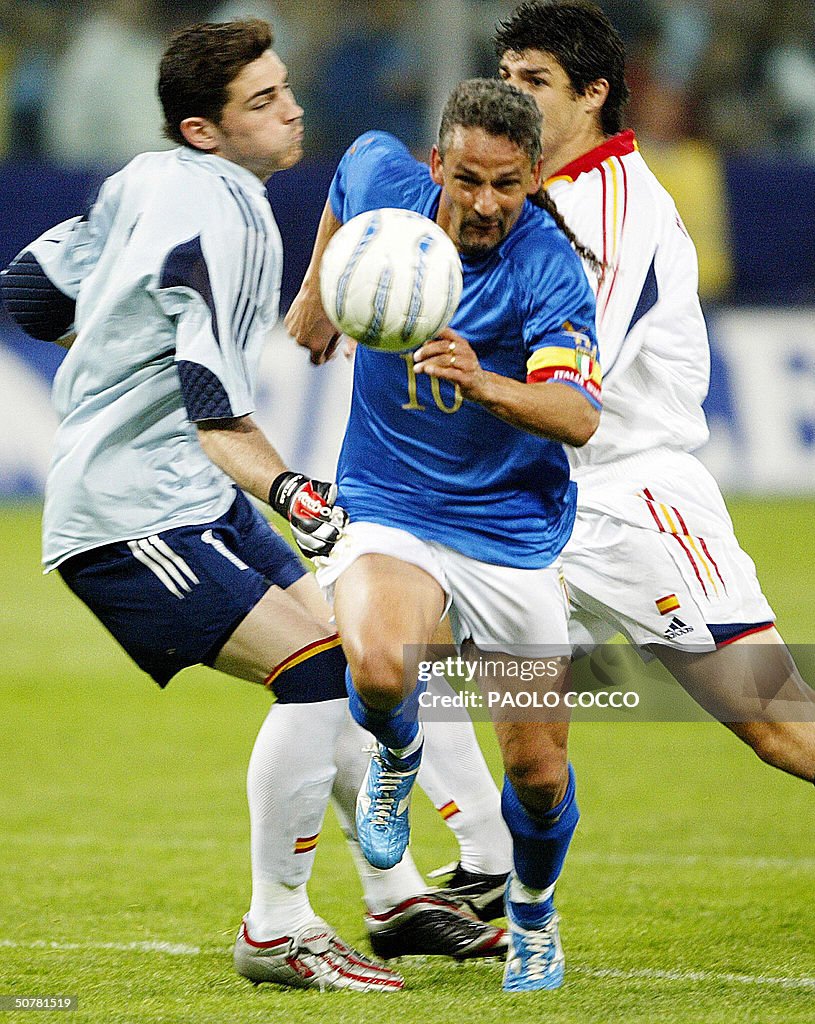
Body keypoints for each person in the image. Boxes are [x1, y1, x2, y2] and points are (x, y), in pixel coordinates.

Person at [0, 18, 506, 994]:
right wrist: (293, 492)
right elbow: (214, 416)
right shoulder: (225, 221)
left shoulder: (139, 178)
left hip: (188, 496)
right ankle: (276, 925)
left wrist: (111, 355)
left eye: (283, 85)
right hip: (131, 516)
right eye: (263, 99)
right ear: (205, 129)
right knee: (317, 671)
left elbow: (25, 288)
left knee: (357, 661)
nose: (291, 104)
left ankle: (395, 896)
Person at [416, 0, 815, 927]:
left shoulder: (612, 209)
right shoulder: (518, 193)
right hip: (526, 505)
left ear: (593, 94)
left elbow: (565, 389)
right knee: (384, 644)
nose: (510, 94)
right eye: (504, 76)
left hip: (631, 502)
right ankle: (485, 861)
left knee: (773, 721)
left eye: (534, 82)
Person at [286, 77, 602, 992]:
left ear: (532, 179)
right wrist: (316, 290)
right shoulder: (387, 186)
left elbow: (576, 416)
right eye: (469, 180)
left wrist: (485, 382)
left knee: (537, 775)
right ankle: (399, 752)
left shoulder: (546, 268)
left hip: (508, 529)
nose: (486, 204)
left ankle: (533, 912)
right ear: (437, 166)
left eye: (508, 185)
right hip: (390, 500)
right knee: (381, 665)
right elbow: (347, 170)